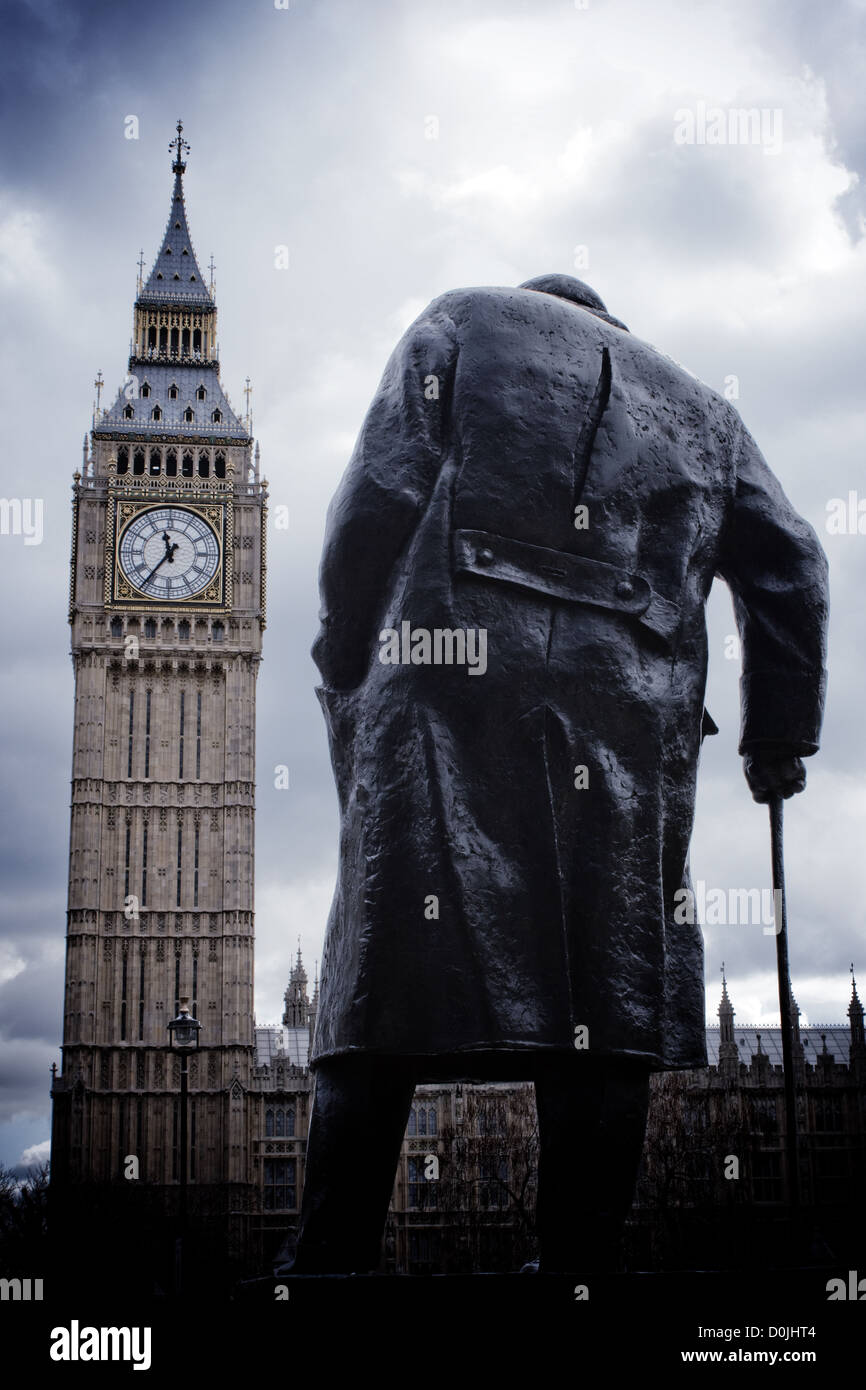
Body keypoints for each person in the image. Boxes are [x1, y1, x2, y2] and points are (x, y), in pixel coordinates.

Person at [292, 273, 828, 1274]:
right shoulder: (706, 414)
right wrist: (775, 738)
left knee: (385, 961)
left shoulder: (463, 318)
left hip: (449, 675)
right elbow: (792, 566)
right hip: (630, 714)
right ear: (608, 319)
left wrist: (340, 650)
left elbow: (373, 500)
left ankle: (329, 1256)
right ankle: (579, 1261)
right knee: (608, 983)